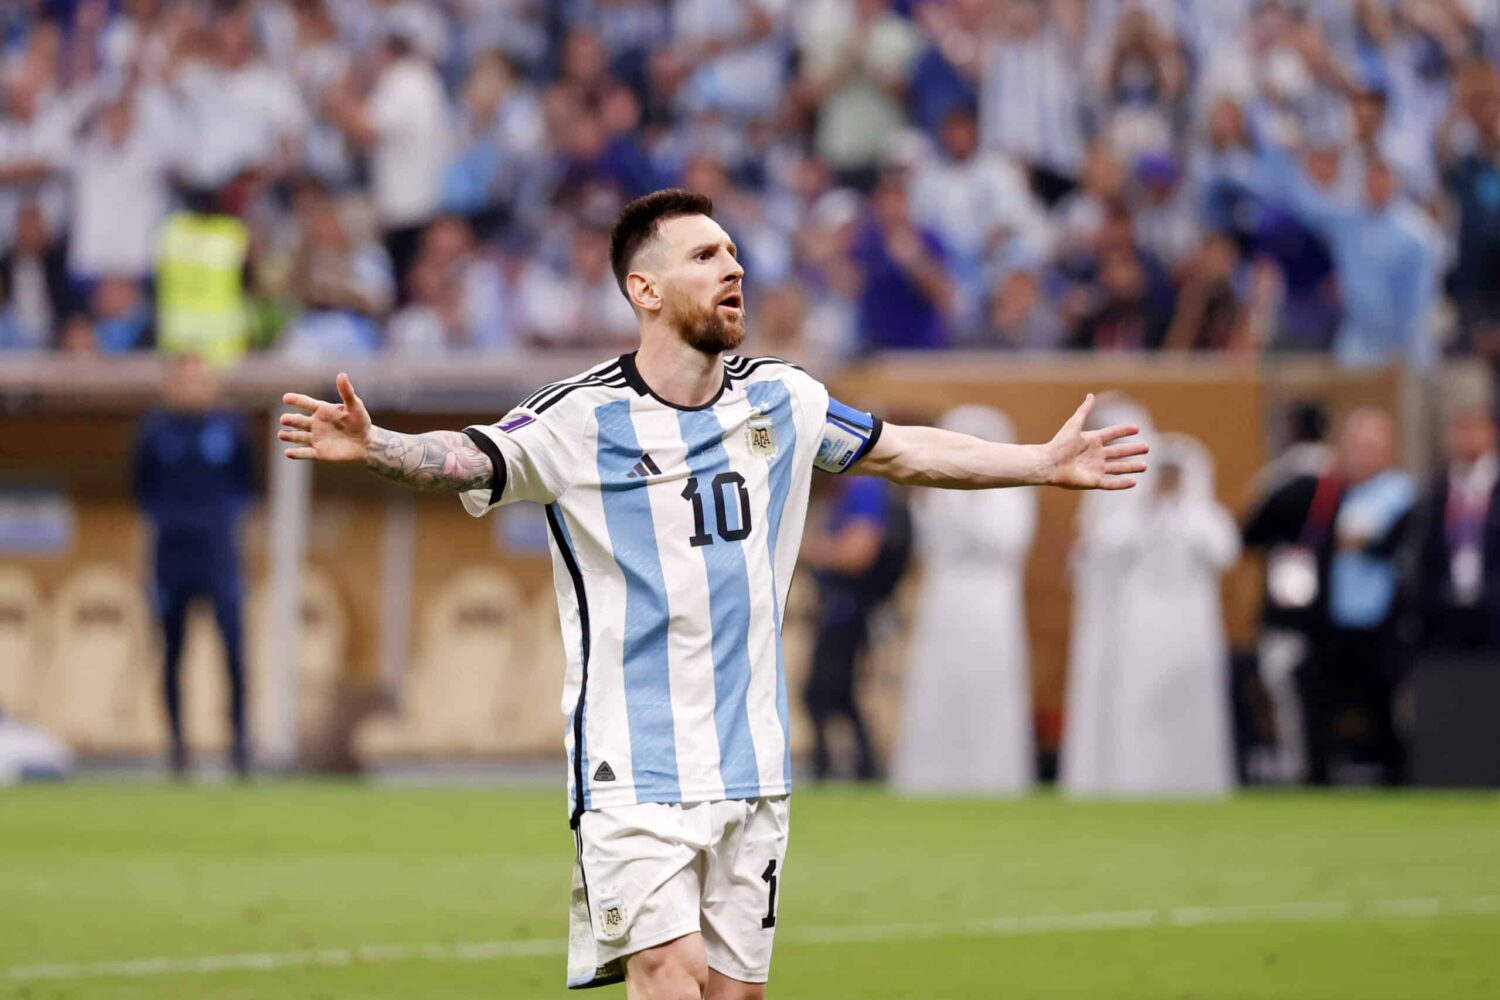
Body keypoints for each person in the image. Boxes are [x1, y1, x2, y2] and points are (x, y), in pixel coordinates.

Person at [277, 189, 1147, 999]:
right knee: (669, 972)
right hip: (633, 766)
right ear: (644, 288)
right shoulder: (578, 419)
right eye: (704, 255)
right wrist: (381, 445)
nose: (732, 267)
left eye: (733, 252)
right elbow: (472, 458)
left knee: (734, 993)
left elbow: (903, 450)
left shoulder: (785, 399)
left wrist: (1039, 463)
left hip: (753, 765)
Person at [1063, 432, 1239, 797]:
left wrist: (1182, 511)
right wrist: (1151, 509)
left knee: (1190, 706)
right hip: (1141, 624)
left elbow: (1223, 551)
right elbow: (1103, 547)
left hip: (1192, 625)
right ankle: (1135, 780)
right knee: (1137, 702)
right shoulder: (1135, 516)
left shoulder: (1205, 516)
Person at [892, 405, 1036, 796]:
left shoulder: (1014, 489)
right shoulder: (934, 492)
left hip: (992, 598)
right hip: (945, 594)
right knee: (941, 682)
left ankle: (994, 777)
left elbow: (1006, 540)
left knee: (989, 684)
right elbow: (928, 541)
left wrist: (974, 499)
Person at [134, 354, 255, 778]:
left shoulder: (231, 428)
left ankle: (240, 746)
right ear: (171, 385)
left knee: (234, 651)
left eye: (199, 379)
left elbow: (247, 486)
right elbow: (142, 490)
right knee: (171, 653)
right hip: (171, 558)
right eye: (183, 380)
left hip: (219, 556)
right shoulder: (154, 432)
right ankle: (177, 748)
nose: (191, 387)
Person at [801, 467, 911, 783]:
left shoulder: (864, 487)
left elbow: (857, 553)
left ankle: (847, 769)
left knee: (826, 691)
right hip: (844, 605)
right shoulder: (855, 487)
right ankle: (856, 769)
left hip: (849, 606)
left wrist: (810, 549)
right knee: (834, 692)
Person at [1414, 406, 1500, 651]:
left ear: (1491, 433)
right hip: (1447, 609)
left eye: (1474, 428)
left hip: (1493, 609)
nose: (1466, 437)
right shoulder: (1439, 487)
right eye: (1460, 430)